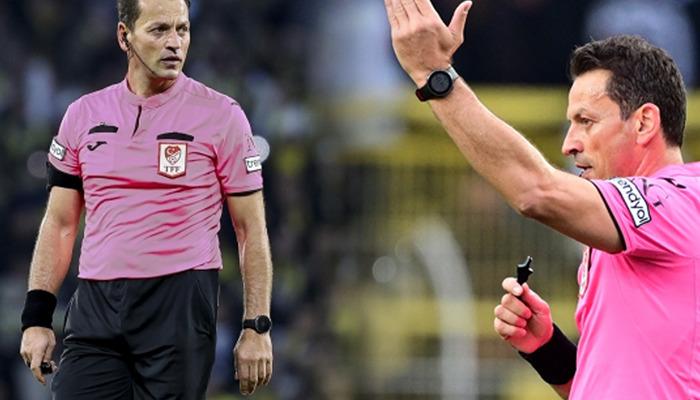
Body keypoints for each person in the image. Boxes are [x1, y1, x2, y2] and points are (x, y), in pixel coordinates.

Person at [384, 1, 699, 398]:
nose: (569, 144)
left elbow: (535, 191)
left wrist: (434, 75)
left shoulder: (678, 203)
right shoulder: (629, 229)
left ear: (644, 122)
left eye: (586, 121)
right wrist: (547, 347)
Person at [18, 0, 273, 398]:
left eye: (182, 29)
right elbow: (60, 222)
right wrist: (37, 317)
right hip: (96, 304)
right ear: (125, 37)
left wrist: (256, 326)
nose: (175, 42)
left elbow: (250, 229)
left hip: (179, 304)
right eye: (159, 30)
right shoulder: (83, 115)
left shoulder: (223, 116)